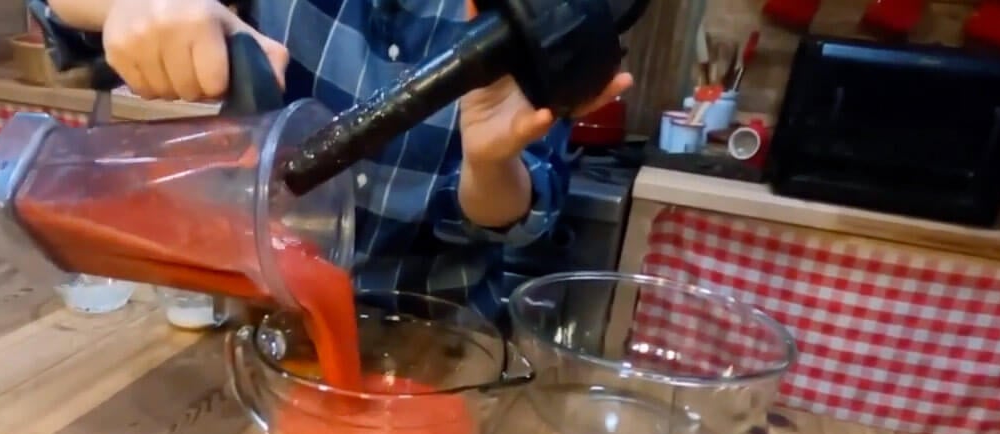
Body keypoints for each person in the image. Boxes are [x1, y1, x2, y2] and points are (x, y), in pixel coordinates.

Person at [41, 0, 632, 322]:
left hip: (439, 347)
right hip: (262, 324)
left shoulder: (545, 22)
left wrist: (488, 162)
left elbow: (518, 215)